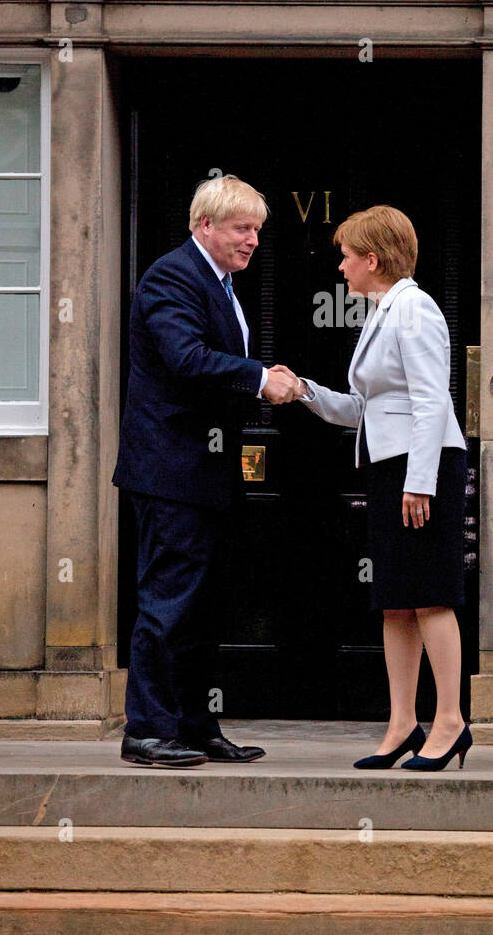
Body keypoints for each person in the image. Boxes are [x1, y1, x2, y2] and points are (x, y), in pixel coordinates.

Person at [271, 205, 472, 772]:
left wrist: (420, 483)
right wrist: (305, 390)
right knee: (395, 602)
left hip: (421, 467)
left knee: (431, 595)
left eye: (346, 256)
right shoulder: (385, 311)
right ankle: (403, 722)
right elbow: (365, 408)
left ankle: (450, 721)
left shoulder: (415, 308)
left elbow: (432, 400)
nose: (340, 266)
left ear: (373, 259)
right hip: (391, 467)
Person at [112, 174, 296, 767]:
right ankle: (147, 731)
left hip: (206, 473)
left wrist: (260, 376)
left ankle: (193, 726)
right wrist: (259, 378)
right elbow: (186, 359)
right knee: (167, 604)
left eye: (257, 230)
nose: (252, 241)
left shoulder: (219, 281)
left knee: (202, 607)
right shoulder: (171, 277)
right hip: (171, 473)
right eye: (242, 228)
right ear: (204, 225)